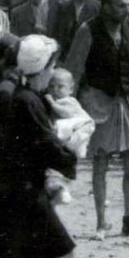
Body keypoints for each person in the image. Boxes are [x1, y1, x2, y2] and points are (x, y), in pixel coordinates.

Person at [0, 35, 78, 258]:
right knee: (64, 251)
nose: (52, 71)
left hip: (10, 190)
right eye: (51, 65)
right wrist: (70, 153)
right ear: (42, 67)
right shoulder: (29, 100)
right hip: (27, 193)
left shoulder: (20, 94)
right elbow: (47, 144)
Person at [64, 0, 129, 240]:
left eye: (128, 5)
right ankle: (102, 222)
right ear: (106, 6)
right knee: (100, 161)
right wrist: (74, 109)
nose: (127, 9)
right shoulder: (87, 30)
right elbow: (74, 69)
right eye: (121, 5)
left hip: (127, 101)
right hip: (99, 101)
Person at [43, 68, 96, 205]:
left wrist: (53, 104)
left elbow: (67, 114)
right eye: (51, 86)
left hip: (73, 136)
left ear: (71, 89)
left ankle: (61, 189)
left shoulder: (69, 101)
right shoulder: (53, 102)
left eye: (60, 86)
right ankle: (59, 189)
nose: (55, 90)